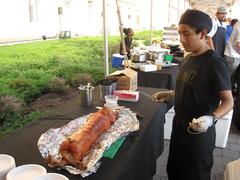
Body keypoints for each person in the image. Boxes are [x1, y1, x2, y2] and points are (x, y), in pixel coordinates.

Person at [153, 9, 233, 180]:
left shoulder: (215, 64)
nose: (181, 39)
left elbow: (228, 102)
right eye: (180, 33)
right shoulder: (188, 59)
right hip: (179, 129)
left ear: (202, 33)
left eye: (186, 34)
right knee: (175, 171)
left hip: (199, 135)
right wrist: (171, 94)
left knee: (194, 175)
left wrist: (212, 118)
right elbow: (193, 88)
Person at [224, 21, 240, 130]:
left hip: (233, 55)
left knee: (230, 83)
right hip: (233, 56)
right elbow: (239, 43)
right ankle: (224, 107)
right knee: (227, 84)